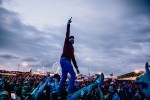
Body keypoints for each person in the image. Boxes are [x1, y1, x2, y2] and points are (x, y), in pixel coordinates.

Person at [58, 17, 80, 99]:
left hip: (65, 62)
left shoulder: (72, 49)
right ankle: (69, 92)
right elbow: (67, 33)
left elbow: (73, 59)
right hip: (65, 61)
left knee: (64, 78)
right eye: (71, 39)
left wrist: (77, 68)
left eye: (73, 39)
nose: (72, 40)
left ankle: (59, 94)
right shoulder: (66, 43)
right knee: (73, 75)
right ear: (69, 39)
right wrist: (68, 24)